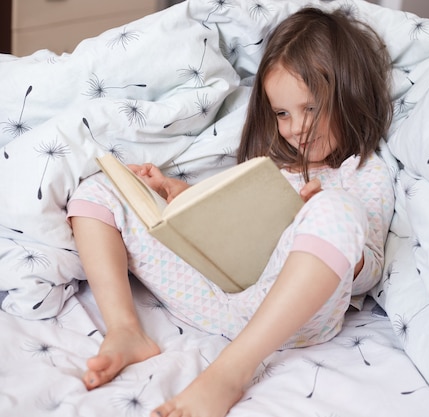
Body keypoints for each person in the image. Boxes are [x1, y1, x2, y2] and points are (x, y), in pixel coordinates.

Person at [67, 7, 394, 417]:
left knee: (337, 208)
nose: (294, 128)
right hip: (214, 296)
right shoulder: (270, 166)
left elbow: (371, 271)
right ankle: (125, 329)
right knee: (99, 189)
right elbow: (226, 228)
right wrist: (177, 194)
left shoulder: (363, 172)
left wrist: (320, 222)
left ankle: (230, 372)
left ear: (349, 93)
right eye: (282, 113)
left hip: (297, 315)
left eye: (310, 108)